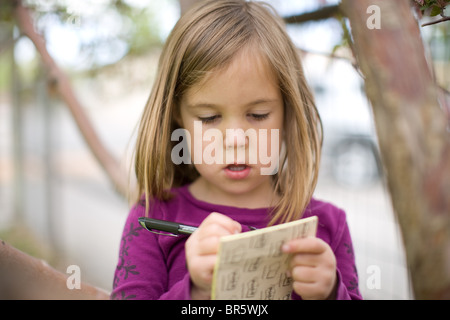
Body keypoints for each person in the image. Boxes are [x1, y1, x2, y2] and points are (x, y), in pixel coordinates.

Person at [111, 0, 362, 300]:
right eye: (209, 118)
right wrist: (197, 292)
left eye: (257, 115)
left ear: (288, 111)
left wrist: (333, 293)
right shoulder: (152, 219)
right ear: (177, 115)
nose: (235, 139)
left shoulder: (328, 226)